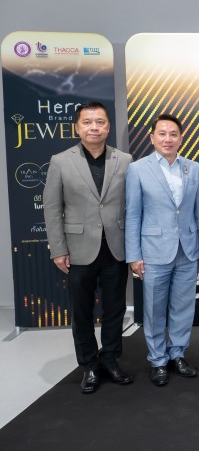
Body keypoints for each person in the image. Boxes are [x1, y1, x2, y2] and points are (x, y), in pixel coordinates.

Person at [42, 101, 134, 394]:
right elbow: (52, 208)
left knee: (115, 309)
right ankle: (89, 365)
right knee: (81, 311)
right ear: (77, 127)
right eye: (87, 122)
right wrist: (58, 249)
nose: (94, 127)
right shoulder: (60, 161)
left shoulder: (125, 160)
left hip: (116, 248)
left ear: (108, 126)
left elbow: (132, 206)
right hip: (78, 249)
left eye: (100, 122)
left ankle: (110, 359)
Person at [125, 113, 199, 386]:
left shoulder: (193, 168)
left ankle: (178, 354)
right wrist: (134, 255)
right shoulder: (138, 169)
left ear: (181, 138)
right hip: (153, 250)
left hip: (187, 250)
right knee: (154, 309)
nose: (168, 139)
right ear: (152, 138)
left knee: (183, 307)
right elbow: (133, 215)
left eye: (173, 134)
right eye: (162, 134)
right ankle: (158, 360)